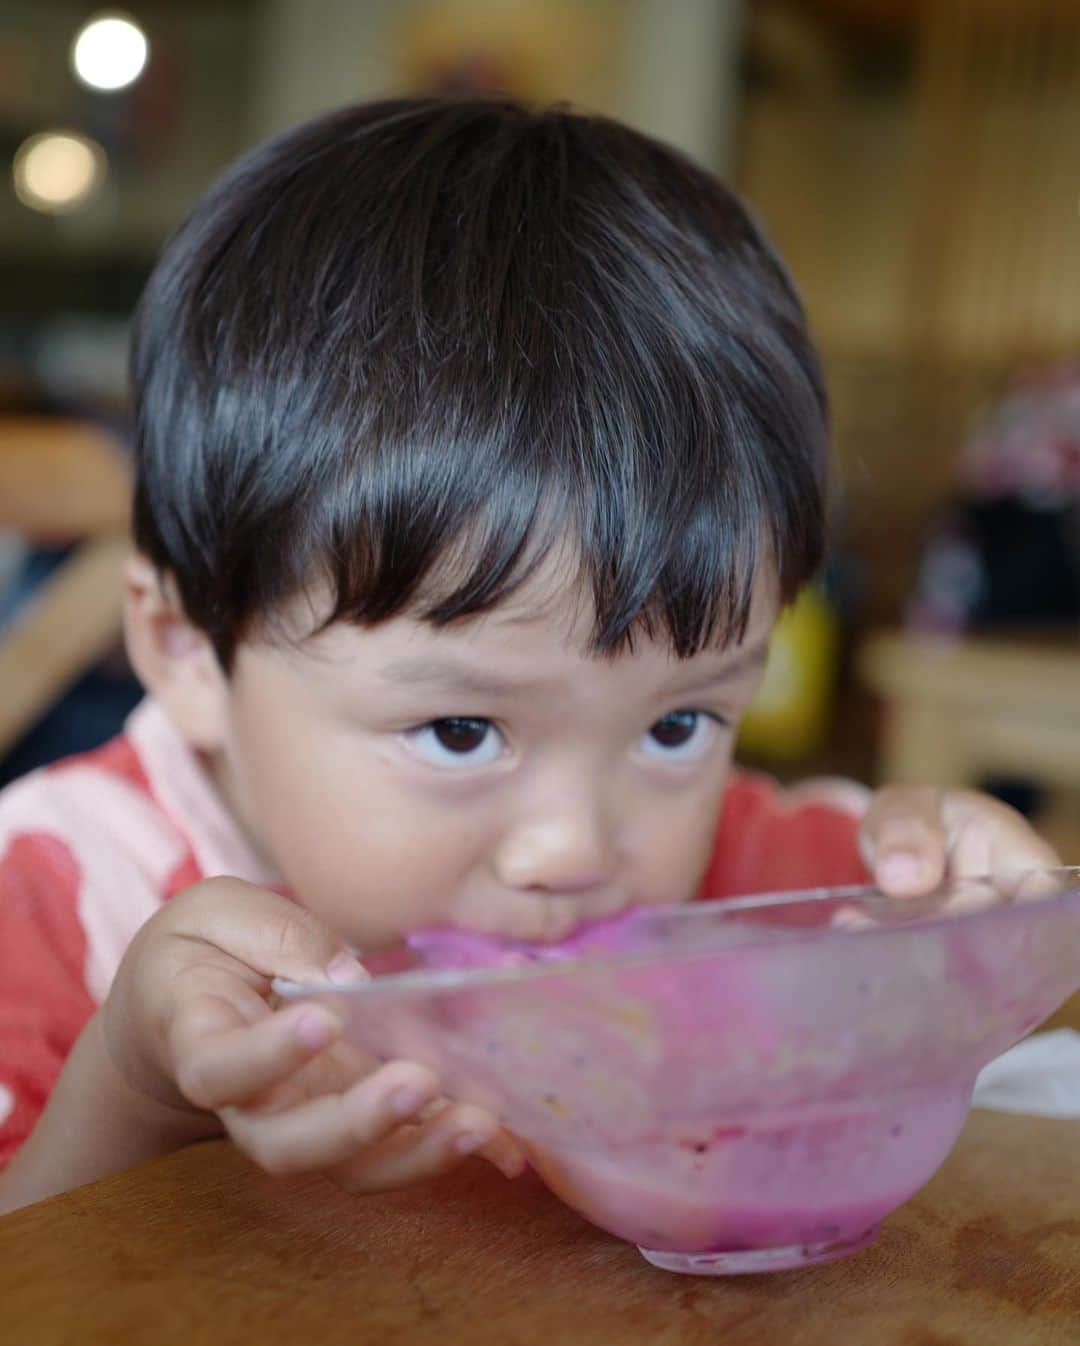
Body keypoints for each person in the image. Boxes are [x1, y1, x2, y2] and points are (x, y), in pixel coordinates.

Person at [0, 98, 1057, 1215]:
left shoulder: (733, 877)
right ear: (187, 653)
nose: (576, 848)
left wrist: (955, 918)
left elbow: (886, 933)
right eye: (462, 729)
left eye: (676, 724)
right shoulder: (55, 891)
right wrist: (133, 1083)